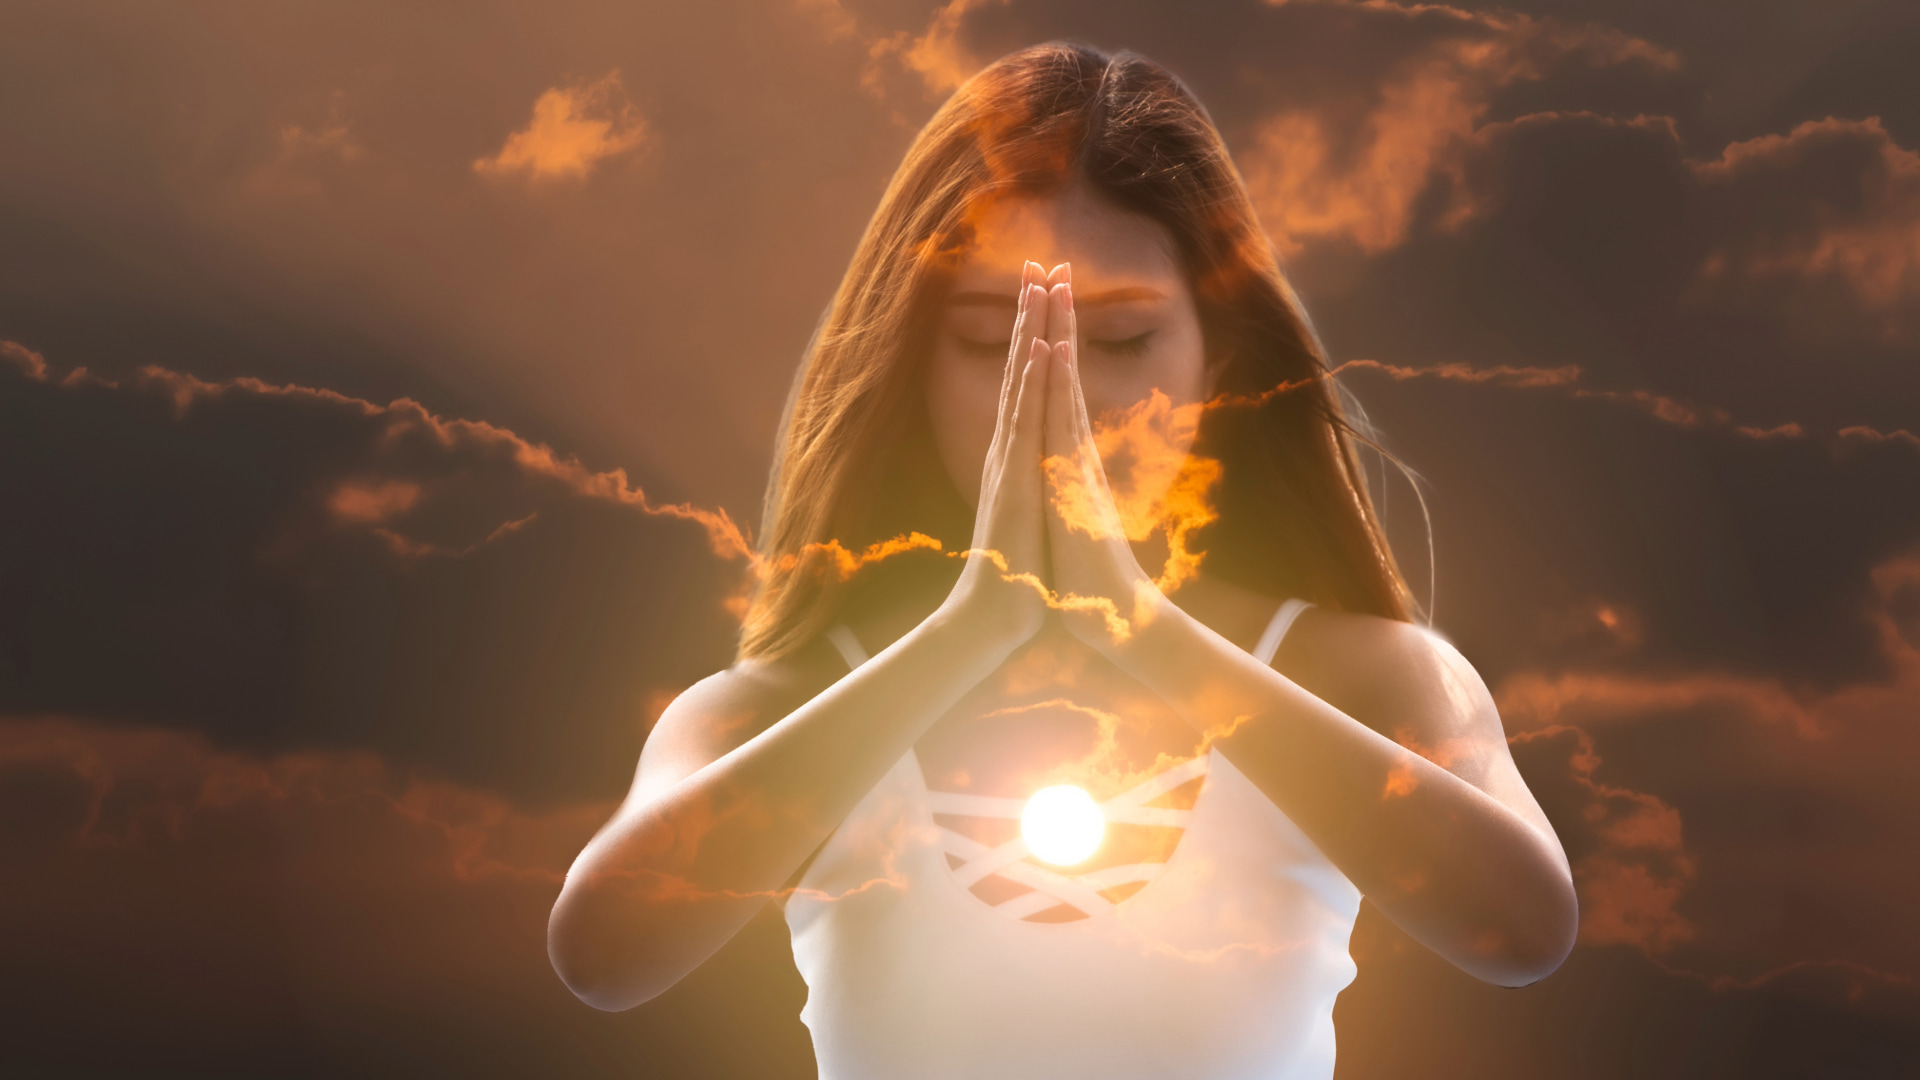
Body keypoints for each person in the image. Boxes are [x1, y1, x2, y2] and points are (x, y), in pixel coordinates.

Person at [549, 40, 1577, 1080]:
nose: (1064, 398)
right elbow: (602, 956)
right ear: (911, 359)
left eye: (1124, 342)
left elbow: (1526, 930)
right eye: (999, 342)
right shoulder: (775, 710)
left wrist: (1140, 629)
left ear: (1215, 358)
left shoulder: (1369, 678)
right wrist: (971, 630)